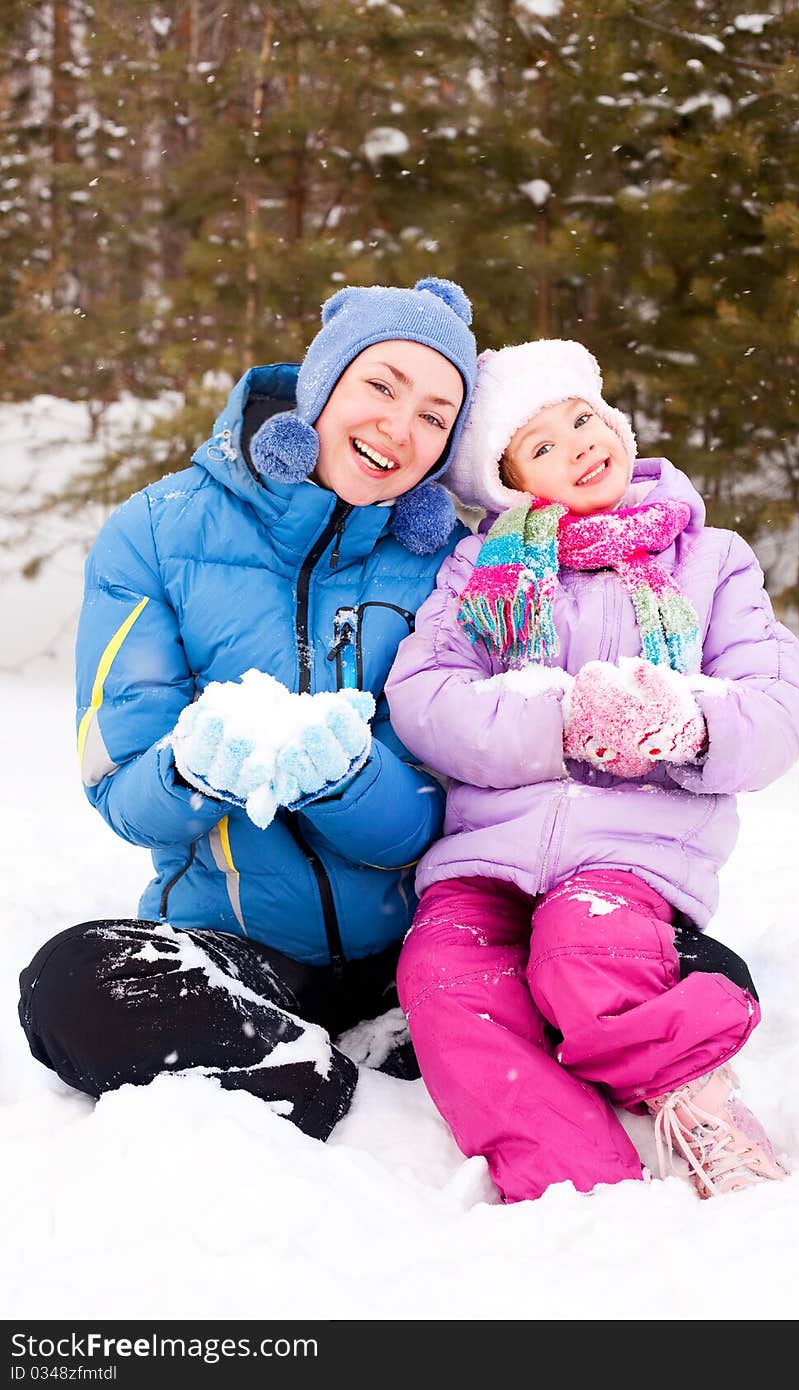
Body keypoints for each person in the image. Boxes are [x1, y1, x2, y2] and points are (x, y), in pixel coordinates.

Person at [18, 277, 477, 1141]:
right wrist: (196, 768)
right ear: (323, 382)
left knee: (630, 964)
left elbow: (449, 813)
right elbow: (121, 790)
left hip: (418, 951)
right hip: (239, 953)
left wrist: (346, 778)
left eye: (434, 415)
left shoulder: (452, 563)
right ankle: (322, 1070)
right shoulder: (156, 530)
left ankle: (396, 1036)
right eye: (380, 386)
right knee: (71, 984)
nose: (397, 429)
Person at [385, 339, 799, 1201]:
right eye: (542, 445)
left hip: (631, 854)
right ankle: (571, 1187)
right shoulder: (482, 575)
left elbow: (778, 706)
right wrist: (561, 721)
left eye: (583, 419)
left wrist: (690, 725)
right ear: (513, 485)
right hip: (486, 854)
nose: (579, 444)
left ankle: (695, 1097)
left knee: (585, 955)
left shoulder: (707, 561)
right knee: (443, 981)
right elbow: (425, 696)